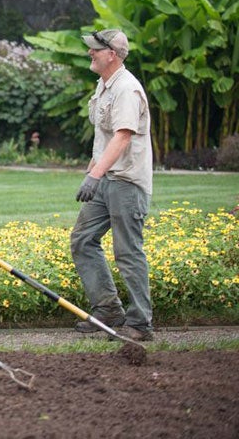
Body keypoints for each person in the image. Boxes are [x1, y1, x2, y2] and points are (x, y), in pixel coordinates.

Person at [71, 29, 153, 341]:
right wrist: (92, 172)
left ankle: (140, 323)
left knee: (128, 251)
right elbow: (102, 139)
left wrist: (95, 176)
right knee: (82, 240)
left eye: (95, 49)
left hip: (126, 183)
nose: (90, 53)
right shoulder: (104, 86)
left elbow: (122, 137)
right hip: (105, 178)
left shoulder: (127, 89)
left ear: (112, 55)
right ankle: (108, 309)